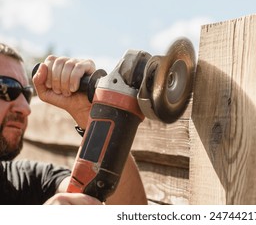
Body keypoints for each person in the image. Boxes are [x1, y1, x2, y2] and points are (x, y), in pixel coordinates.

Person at [0, 43, 147, 205]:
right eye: (6, 88)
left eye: (26, 93)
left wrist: (93, 115)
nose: (26, 108)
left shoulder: (29, 179)